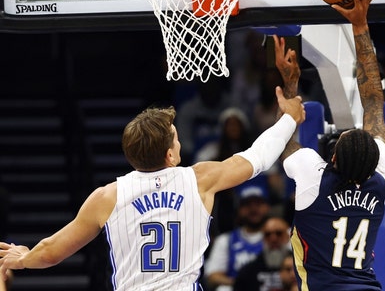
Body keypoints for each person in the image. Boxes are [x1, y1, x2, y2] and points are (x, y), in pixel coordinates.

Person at [0, 91, 306, 290]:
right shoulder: (199, 179)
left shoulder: (107, 197)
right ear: (169, 156)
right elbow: (259, 156)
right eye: (175, 139)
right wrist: (290, 117)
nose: (179, 142)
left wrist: (24, 258)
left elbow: (52, 252)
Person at [274, 0, 385, 290]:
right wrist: (360, 24)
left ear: (334, 156)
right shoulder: (380, 178)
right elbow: (374, 101)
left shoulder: (314, 178)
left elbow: (284, 141)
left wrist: (290, 86)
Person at [204, 185, 271, 291]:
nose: (253, 209)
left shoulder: (282, 235)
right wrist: (243, 284)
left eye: (258, 204)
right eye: (247, 205)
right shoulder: (225, 240)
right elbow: (213, 276)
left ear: (267, 207)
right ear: (239, 209)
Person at [233, 217, 291, 291]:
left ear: (288, 236)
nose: (273, 239)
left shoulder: (299, 265)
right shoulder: (248, 271)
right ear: (263, 238)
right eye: (268, 234)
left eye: (278, 233)